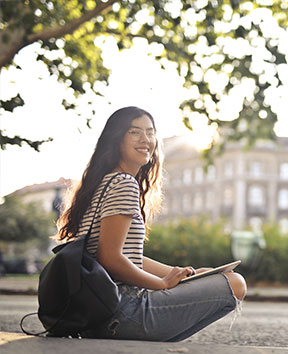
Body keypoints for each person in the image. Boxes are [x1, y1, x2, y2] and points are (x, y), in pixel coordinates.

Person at [56, 106, 246, 341]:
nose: (145, 139)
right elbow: (110, 258)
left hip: (99, 315)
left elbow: (129, 256)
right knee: (235, 283)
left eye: (150, 132)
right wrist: (161, 284)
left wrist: (186, 276)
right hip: (122, 312)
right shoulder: (124, 183)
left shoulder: (102, 184)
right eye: (134, 132)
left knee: (220, 281)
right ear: (116, 139)